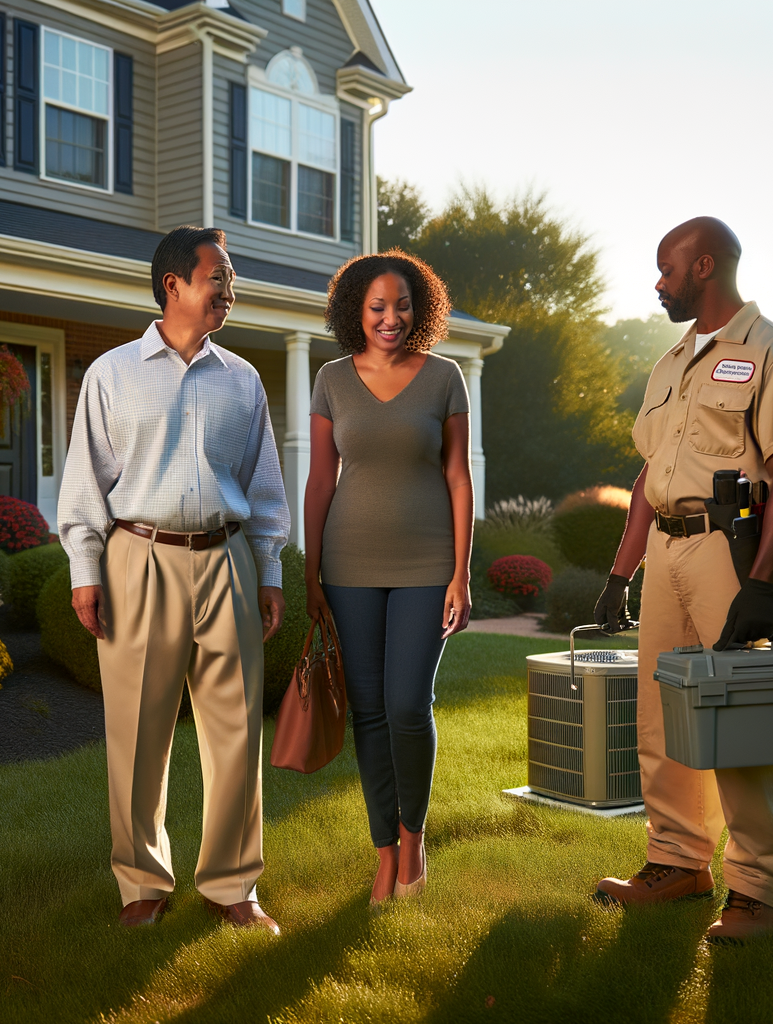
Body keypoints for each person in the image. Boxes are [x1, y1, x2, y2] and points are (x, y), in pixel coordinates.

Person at [590, 217, 773, 943]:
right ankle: (678, 863)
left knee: (740, 719)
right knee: (661, 717)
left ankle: (759, 891)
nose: (657, 283)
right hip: (666, 551)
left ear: (706, 266)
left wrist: (758, 585)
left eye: (667, 269)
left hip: (730, 549)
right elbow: (648, 475)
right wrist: (619, 573)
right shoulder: (670, 364)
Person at [57, 225, 290, 934]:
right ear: (174, 286)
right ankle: (140, 886)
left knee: (235, 733)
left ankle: (232, 887)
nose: (229, 290)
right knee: (136, 732)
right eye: (218, 277)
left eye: (230, 279)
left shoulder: (244, 379)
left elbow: (266, 485)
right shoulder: (111, 373)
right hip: (139, 557)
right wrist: (85, 568)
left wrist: (271, 567)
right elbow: (84, 481)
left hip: (227, 561)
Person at [302, 250, 474, 909]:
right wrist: (312, 571)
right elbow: (321, 480)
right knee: (368, 712)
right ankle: (383, 853)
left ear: (419, 309)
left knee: (407, 705)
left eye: (402, 305)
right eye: (377, 306)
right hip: (348, 567)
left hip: (428, 566)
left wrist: (460, 573)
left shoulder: (444, 378)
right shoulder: (331, 380)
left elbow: (458, 477)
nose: (390, 317)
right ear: (356, 311)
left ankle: (413, 835)